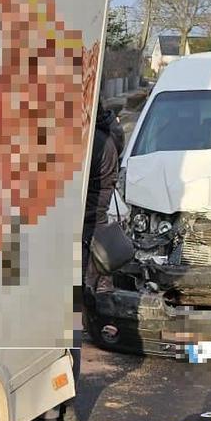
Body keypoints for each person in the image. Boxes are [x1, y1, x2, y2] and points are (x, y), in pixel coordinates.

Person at [82, 101, 121, 296]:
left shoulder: (92, 142)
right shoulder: (108, 137)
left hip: (88, 220)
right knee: (100, 280)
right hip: (99, 218)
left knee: (87, 283)